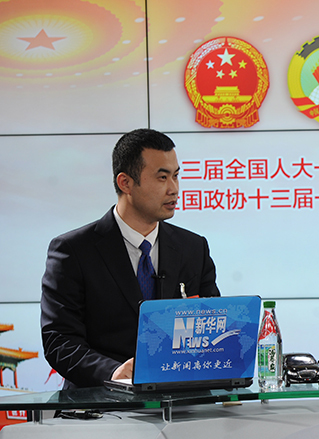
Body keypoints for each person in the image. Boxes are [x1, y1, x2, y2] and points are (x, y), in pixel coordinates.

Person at [41, 129, 220, 389]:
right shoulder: (73, 251)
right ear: (125, 183)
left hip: (180, 400)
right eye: (162, 177)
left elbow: (211, 326)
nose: (174, 189)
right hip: (101, 401)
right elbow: (59, 341)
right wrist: (113, 372)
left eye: (176, 176)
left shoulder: (193, 248)